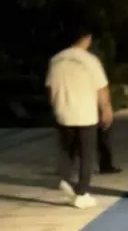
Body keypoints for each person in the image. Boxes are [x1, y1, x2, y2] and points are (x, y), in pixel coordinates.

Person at [46, 20, 114, 209]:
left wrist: (55, 104)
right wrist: (106, 109)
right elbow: (101, 88)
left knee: (67, 151)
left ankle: (65, 179)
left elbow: (50, 88)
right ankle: (82, 192)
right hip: (85, 113)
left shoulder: (56, 59)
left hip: (63, 112)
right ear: (87, 39)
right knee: (86, 154)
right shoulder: (90, 60)